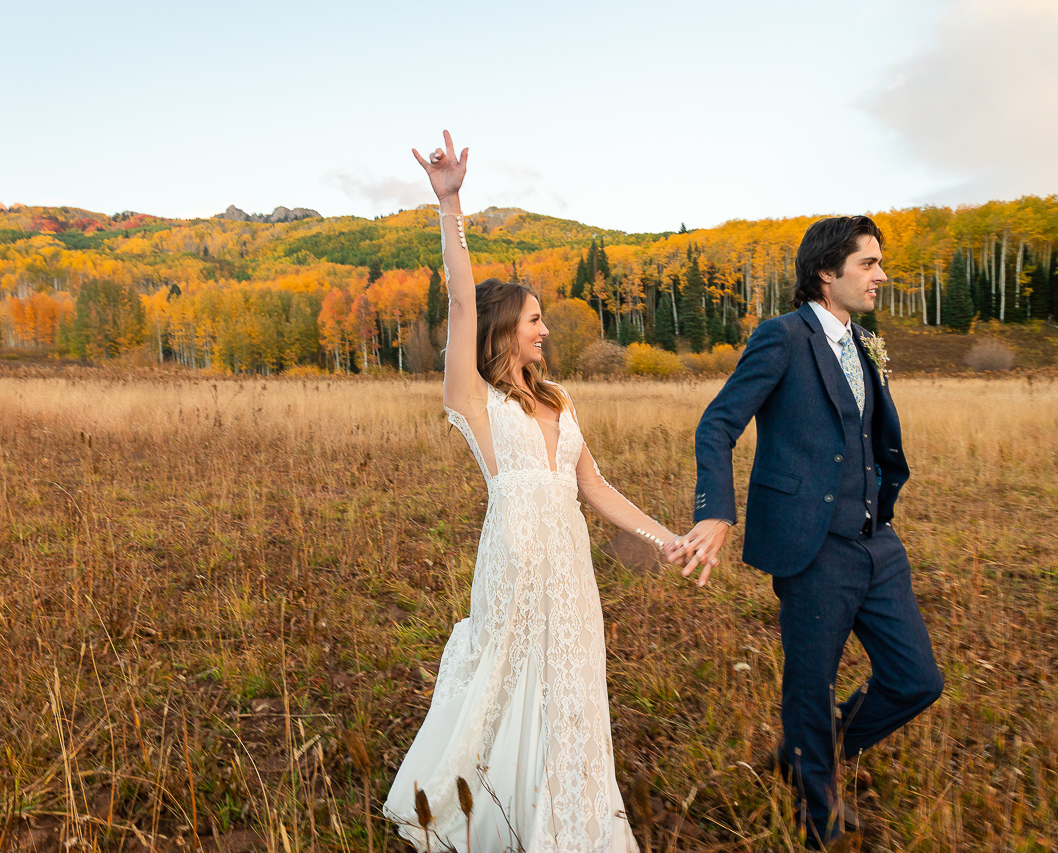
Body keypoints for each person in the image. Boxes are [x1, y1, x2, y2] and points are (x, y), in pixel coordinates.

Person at [384, 131, 674, 853]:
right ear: (505, 328)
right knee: (507, 693)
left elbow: (596, 488)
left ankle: (570, 829)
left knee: (571, 699)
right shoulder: (477, 402)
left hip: (570, 579)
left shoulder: (561, 399)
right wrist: (451, 206)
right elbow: (456, 300)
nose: (547, 329)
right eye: (537, 318)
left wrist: (665, 538)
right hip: (514, 578)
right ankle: (494, 822)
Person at [668, 216, 944, 850]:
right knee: (809, 684)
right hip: (811, 545)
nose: (881, 274)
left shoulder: (863, 340)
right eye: (868, 263)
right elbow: (717, 425)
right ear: (827, 272)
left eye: (880, 263)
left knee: (916, 681)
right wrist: (715, 509)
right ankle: (814, 817)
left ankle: (807, 751)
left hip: (877, 542)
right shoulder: (782, 338)